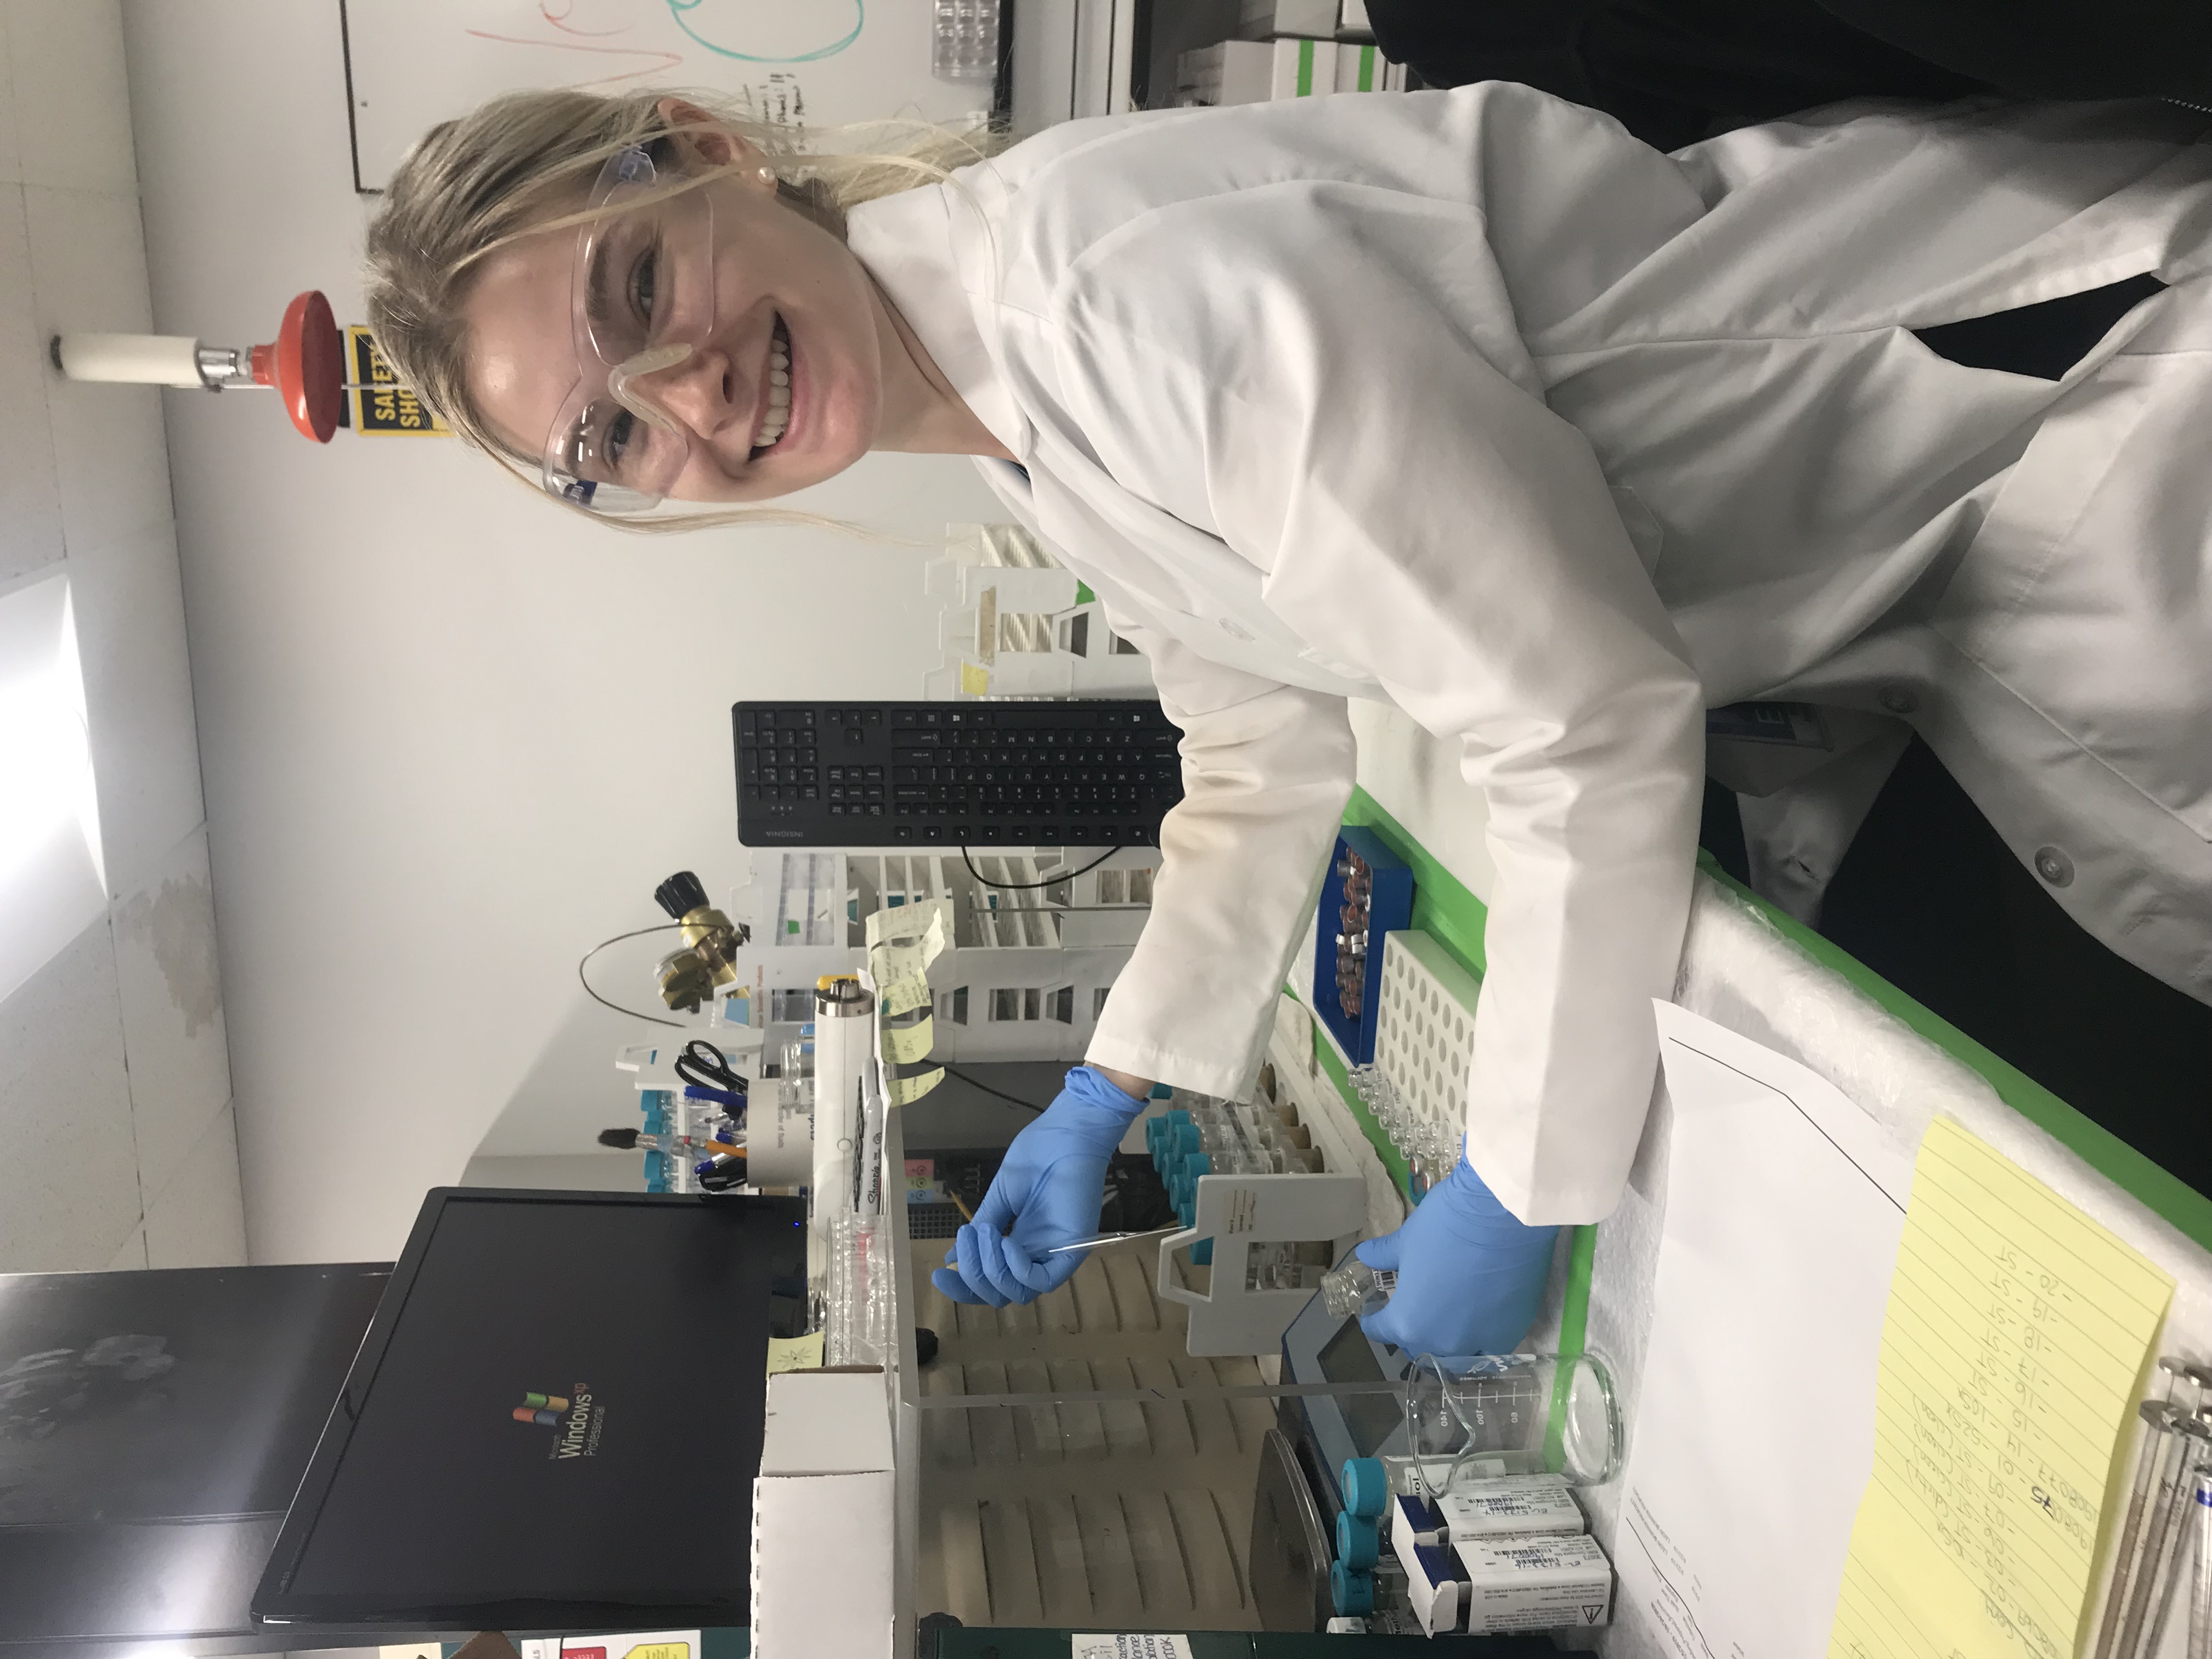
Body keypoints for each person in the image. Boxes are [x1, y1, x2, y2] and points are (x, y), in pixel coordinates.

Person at [366, 84, 2212, 1358]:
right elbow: (1255, 746)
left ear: (696, 155)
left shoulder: (1107, 293)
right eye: (610, 441)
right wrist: (1119, 1074)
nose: (688, 393)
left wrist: (1523, 1178)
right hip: (1907, 572)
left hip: (2061, 393)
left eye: (639, 291)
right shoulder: (1018, 428)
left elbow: (1577, 706)